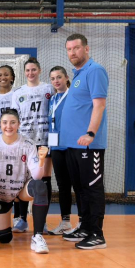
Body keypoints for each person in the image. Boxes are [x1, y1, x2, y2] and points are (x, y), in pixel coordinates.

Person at [60, 33, 109, 250]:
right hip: (73, 144)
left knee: (92, 188)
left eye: (76, 48)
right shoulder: (78, 74)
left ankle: (97, 234)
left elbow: (99, 105)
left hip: (89, 145)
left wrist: (90, 133)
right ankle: (86, 227)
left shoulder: (95, 70)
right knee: (80, 189)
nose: (72, 52)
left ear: (86, 49)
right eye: (69, 49)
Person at [0, 110, 50, 253]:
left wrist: (41, 160)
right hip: (0, 193)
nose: (9, 126)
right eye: (5, 123)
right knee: (4, 238)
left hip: (21, 190)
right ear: (0, 124)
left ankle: (37, 237)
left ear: (19, 124)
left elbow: (37, 176)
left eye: (13, 122)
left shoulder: (28, 144)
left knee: (40, 186)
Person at [10, 57, 54, 233]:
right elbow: (14, 117)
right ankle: (22, 219)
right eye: (27, 70)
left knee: (44, 179)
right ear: (24, 72)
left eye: (33, 69)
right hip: (25, 141)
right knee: (23, 178)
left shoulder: (48, 89)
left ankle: (42, 222)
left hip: (45, 140)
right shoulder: (18, 92)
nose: (30, 73)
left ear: (40, 70)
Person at [46, 66, 79, 236]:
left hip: (71, 146)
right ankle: (65, 222)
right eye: (53, 78)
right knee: (62, 185)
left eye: (59, 77)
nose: (56, 81)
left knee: (77, 183)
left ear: (66, 78)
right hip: (56, 147)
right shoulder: (52, 99)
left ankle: (82, 221)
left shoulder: (73, 96)